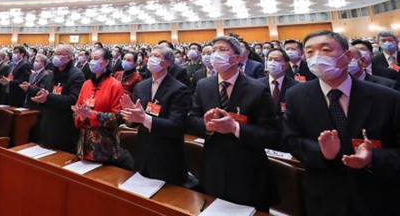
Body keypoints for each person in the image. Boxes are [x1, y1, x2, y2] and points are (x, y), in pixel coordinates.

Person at [281, 30, 400, 216]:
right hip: (325, 199)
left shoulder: (388, 98)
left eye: (325, 50)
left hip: (381, 199)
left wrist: (373, 158)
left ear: (347, 56)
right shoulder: (296, 96)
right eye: (310, 52)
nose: (317, 57)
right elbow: (290, 140)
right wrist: (321, 152)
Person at [189, 35, 279, 212]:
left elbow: (271, 134)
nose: (216, 54)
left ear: (238, 58)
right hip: (213, 166)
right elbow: (192, 119)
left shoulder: (257, 88)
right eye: (214, 50)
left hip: (248, 170)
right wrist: (206, 126)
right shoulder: (203, 85)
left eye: (222, 50)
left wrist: (236, 128)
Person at [120, 45, 190, 184]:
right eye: (151, 55)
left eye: (157, 56)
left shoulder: (179, 89)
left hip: (166, 156)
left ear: (168, 63)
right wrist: (129, 117)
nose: (151, 58)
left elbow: (177, 126)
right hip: (143, 152)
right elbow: (135, 121)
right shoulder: (142, 86)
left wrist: (145, 118)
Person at [72, 48, 133, 170]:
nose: (91, 62)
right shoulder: (86, 84)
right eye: (91, 59)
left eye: (96, 59)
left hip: (105, 148)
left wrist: (92, 114)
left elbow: (117, 118)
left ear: (106, 62)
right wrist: (81, 116)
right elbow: (76, 111)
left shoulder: (115, 85)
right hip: (83, 147)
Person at [24, 45, 84, 153]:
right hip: (47, 121)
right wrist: (40, 97)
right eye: (56, 54)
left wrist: (48, 97)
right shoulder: (51, 74)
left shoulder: (76, 75)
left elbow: (73, 100)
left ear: (70, 57)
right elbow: (46, 93)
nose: (57, 56)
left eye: (60, 54)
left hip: (63, 125)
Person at [260, 48, 297, 119]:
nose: (272, 63)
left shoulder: (295, 86)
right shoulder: (257, 84)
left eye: (276, 60)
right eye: (270, 59)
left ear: (286, 65)